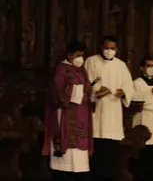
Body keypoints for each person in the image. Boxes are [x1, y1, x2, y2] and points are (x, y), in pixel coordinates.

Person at [43, 41, 94, 180]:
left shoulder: (82, 70)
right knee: (64, 165)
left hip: (81, 115)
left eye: (82, 55)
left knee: (79, 164)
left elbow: (87, 91)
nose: (80, 59)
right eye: (77, 55)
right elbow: (58, 92)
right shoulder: (61, 69)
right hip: (65, 114)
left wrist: (92, 92)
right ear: (69, 54)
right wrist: (82, 90)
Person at [85, 35, 134, 181]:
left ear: (116, 49)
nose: (109, 51)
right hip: (98, 110)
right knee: (98, 148)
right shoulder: (91, 61)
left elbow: (128, 85)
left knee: (112, 150)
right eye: (107, 48)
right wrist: (97, 91)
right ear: (101, 47)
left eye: (112, 48)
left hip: (114, 111)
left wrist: (124, 92)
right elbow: (86, 83)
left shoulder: (121, 65)